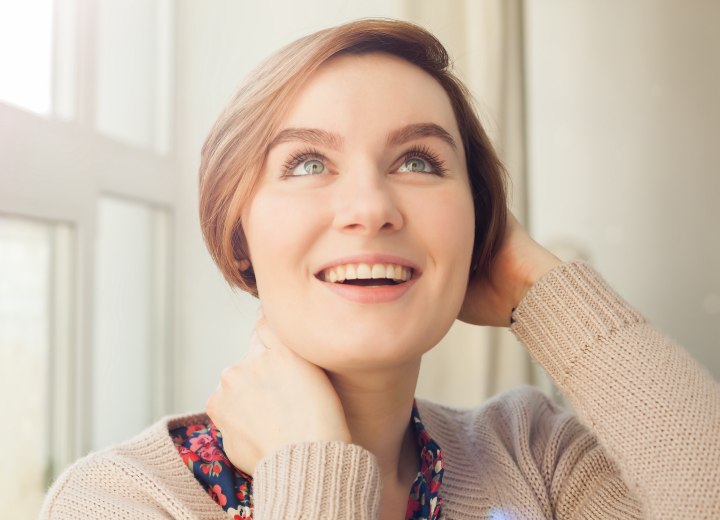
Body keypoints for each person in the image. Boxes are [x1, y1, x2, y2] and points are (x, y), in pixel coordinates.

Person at [42, 19, 719, 520]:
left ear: (479, 221)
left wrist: (537, 286)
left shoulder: (536, 458)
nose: (370, 208)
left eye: (419, 161)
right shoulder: (119, 500)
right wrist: (314, 470)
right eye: (307, 163)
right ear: (237, 230)